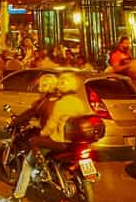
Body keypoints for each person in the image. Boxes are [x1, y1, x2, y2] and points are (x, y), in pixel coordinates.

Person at [10, 73, 88, 201]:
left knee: (28, 162)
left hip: (59, 140)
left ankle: (18, 195)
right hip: (75, 141)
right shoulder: (79, 102)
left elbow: (49, 124)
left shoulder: (53, 102)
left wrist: (42, 134)